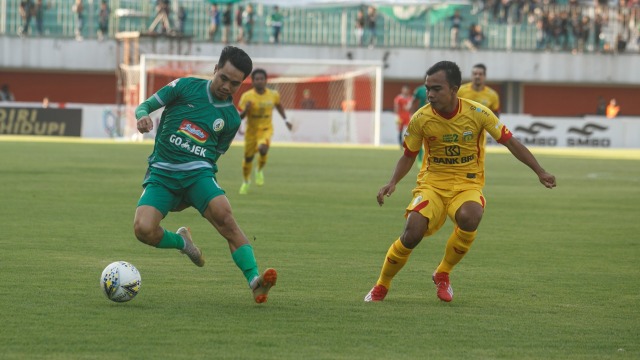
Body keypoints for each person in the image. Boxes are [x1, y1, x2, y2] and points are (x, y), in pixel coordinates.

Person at [364, 61, 556, 303]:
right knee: (412, 232)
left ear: (454, 89)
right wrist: (392, 182)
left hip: (467, 184)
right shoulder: (420, 119)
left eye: (436, 89)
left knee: (471, 215)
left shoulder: (478, 113)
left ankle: (443, 272)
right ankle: (382, 285)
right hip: (432, 185)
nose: (430, 95)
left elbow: (510, 141)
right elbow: (408, 155)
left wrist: (540, 171)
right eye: (428, 89)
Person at [133, 46, 278, 304]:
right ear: (215, 70)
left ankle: (255, 281)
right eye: (223, 78)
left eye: (235, 83)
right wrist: (143, 116)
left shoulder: (231, 119)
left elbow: (213, 156)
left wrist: (199, 189)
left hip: (198, 175)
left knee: (226, 218)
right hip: (162, 173)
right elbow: (146, 105)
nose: (227, 86)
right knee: (143, 229)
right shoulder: (185, 87)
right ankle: (182, 243)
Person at [237, 68, 292, 195]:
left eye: (262, 79)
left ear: (266, 80)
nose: (260, 81)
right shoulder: (247, 97)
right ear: (252, 81)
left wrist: (286, 120)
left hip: (266, 130)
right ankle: (246, 181)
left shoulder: (273, 95)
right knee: (248, 159)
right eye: (257, 79)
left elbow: (279, 106)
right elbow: (239, 116)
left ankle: (259, 170)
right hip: (251, 132)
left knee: (263, 148)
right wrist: (246, 110)